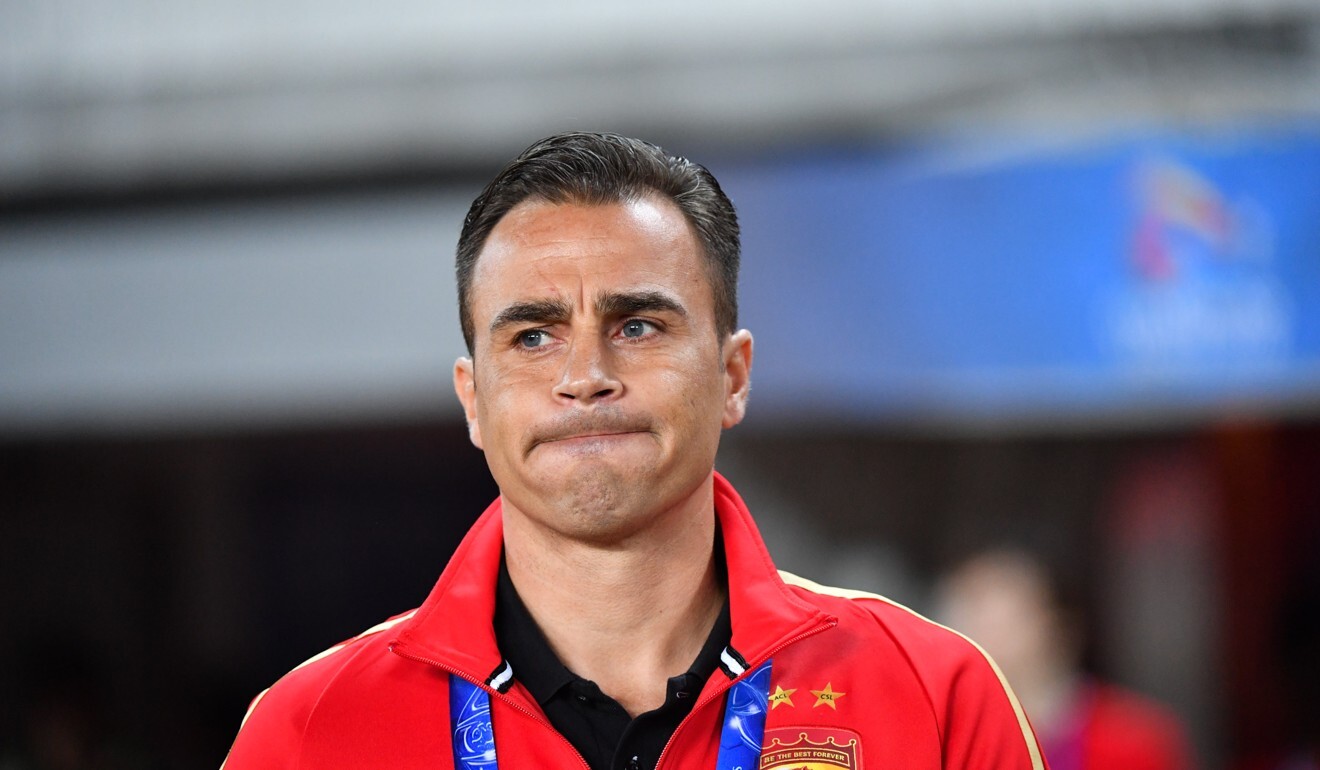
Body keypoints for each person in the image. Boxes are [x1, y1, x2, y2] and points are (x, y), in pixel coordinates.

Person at [221, 132, 1047, 770]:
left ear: (732, 375)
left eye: (638, 326)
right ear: (474, 399)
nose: (586, 376)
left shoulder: (933, 696)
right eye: (535, 335)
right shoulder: (310, 729)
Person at [934, 548, 1195, 770]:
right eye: (968, 614)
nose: (979, 633)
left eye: (999, 620)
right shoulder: (944, 739)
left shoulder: (1134, 739)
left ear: (1059, 627)